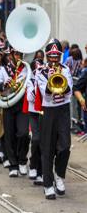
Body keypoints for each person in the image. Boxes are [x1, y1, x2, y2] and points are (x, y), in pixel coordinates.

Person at [35, 38, 73, 200]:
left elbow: (69, 91)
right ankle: (48, 184)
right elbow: (46, 94)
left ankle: (59, 175)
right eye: (51, 56)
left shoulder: (65, 69)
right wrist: (51, 77)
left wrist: (59, 76)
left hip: (63, 110)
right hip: (48, 111)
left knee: (65, 146)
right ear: (46, 56)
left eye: (56, 55)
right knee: (47, 148)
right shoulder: (40, 71)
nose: (54, 59)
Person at [0, 44, 30, 177]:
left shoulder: (26, 69)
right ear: (10, 55)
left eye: (20, 54)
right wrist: (3, 85)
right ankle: (13, 165)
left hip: (22, 105)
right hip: (8, 105)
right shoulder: (3, 71)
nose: (18, 57)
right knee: (9, 135)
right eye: (15, 54)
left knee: (23, 133)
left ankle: (22, 160)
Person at [25, 58, 44, 185]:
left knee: (45, 143)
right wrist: (37, 82)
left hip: (45, 113)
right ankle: (33, 165)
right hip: (34, 113)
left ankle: (41, 172)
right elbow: (30, 98)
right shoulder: (30, 81)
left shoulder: (45, 77)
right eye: (36, 68)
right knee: (36, 139)